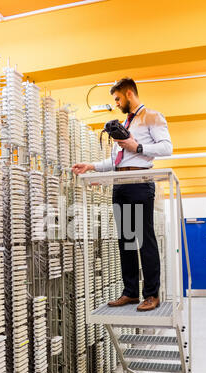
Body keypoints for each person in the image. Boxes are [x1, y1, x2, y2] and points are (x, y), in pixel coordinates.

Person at [72, 77, 172, 311]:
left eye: (117, 98)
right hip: (120, 183)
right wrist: (91, 166)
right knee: (126, 241)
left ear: (129, 94)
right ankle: (130, 293)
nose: (116, 103)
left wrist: (137, 147)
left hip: (139, 182)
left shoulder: (152, 117)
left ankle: (151, 295)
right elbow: (117, 160)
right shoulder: (124, 125)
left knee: (145, 240)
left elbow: (167, 147)